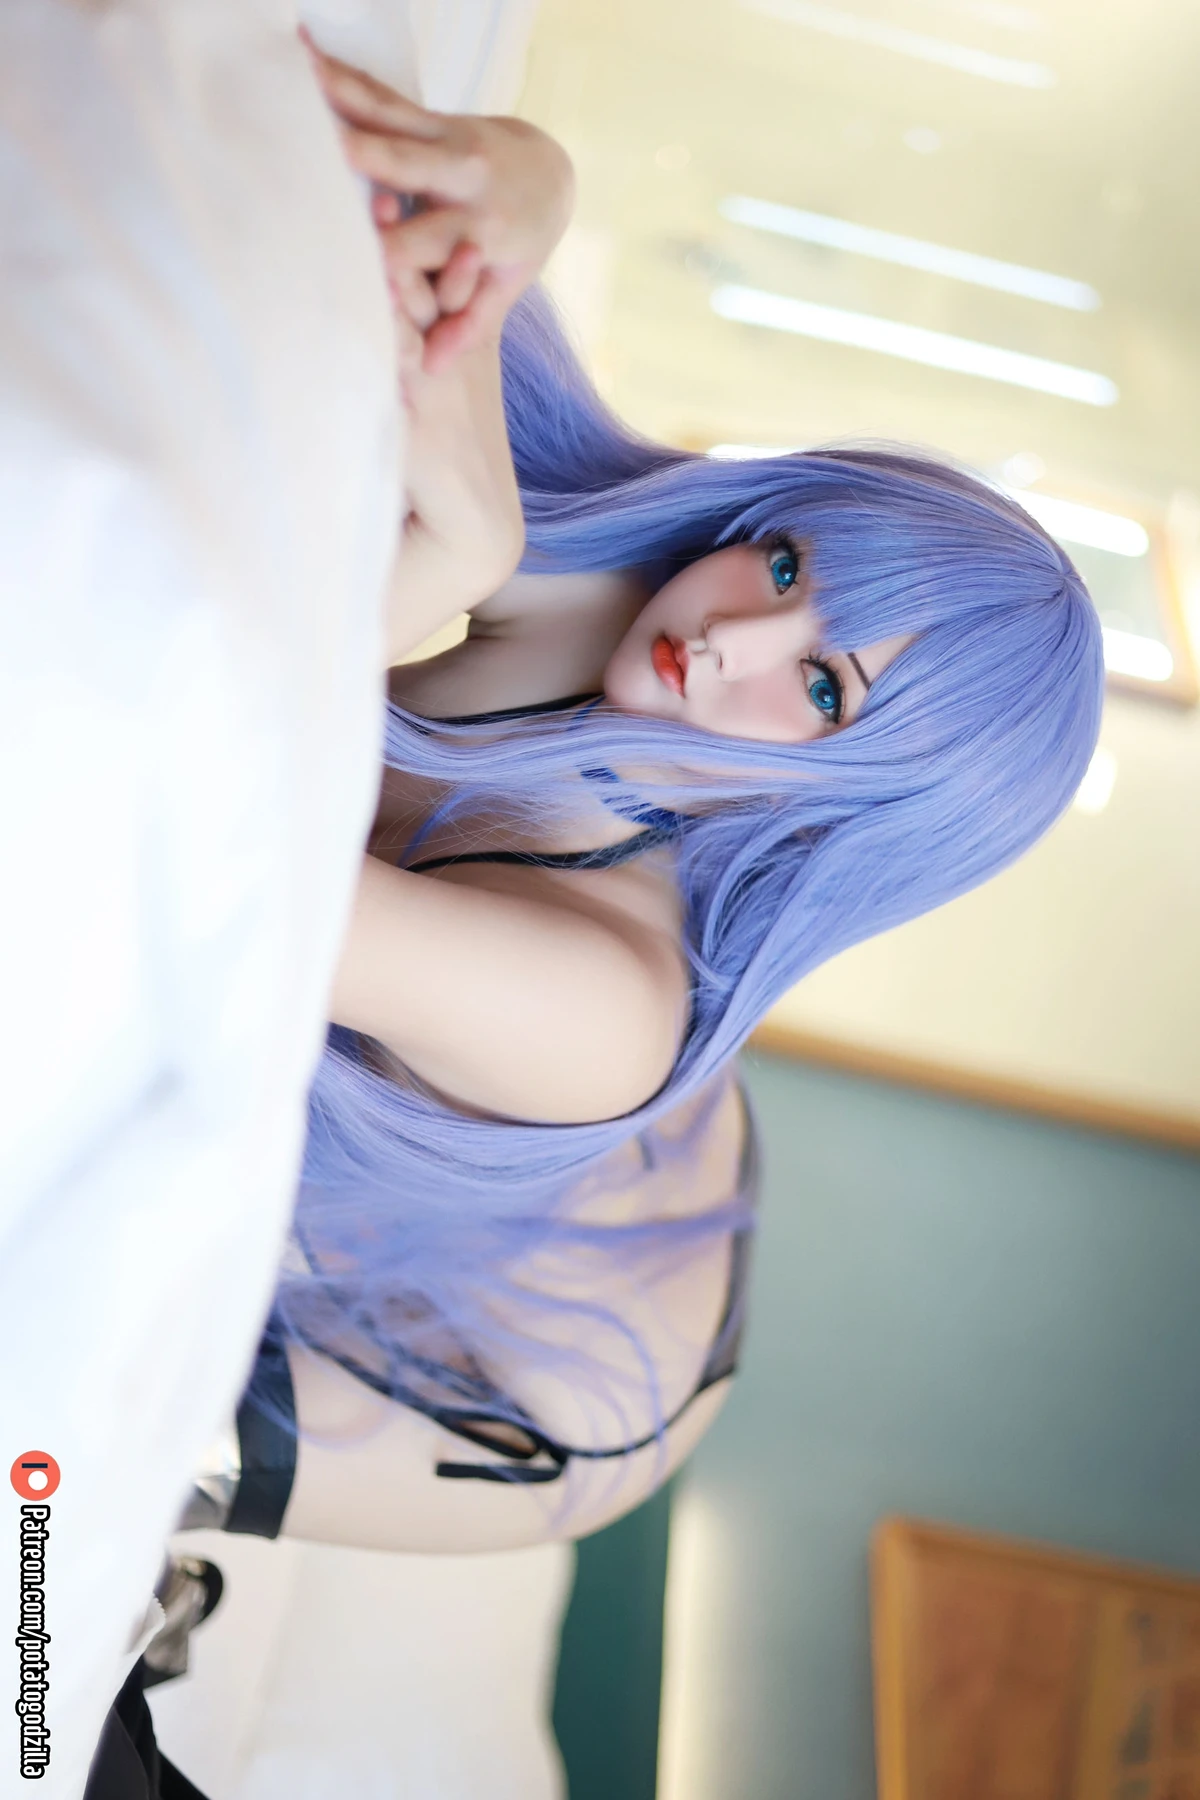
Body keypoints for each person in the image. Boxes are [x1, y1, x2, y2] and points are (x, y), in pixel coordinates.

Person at [187, 50, 1105, 1561]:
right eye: (792, 565)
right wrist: (533, 185)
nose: (737, 638)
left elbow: (193, 848)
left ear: (857, 796)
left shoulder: (601, 1006)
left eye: (826, 693)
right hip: (643, 1149)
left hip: (569, 1388)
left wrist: (439, 569)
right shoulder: (632, 591)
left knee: (97, 1474)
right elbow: (401, 220)